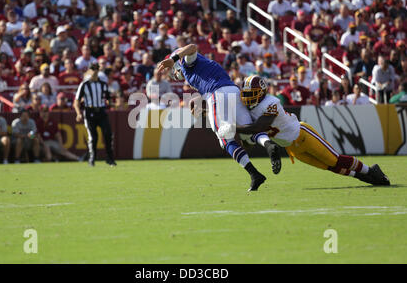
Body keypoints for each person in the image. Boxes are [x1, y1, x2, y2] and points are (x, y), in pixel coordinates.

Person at [157, 44, 280, 192]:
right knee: (249, 131)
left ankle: (255, 175)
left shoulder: (187, 62)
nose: (173, 73)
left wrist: (174, 58)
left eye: (171, 69)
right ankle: (269, 145)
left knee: (224, 139)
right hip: (233, 91)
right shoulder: (198, 66)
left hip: (217, 94)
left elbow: (192, 47)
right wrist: (205, 109)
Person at [234, 75, 390, 186]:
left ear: (261, 93)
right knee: (328, 166)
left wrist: (234, 127)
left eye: (251, 94)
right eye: (246, 94)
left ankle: (371, 170)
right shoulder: (248, 112)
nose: (247, 98)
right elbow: (250, 141)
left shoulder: (271, 102)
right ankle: (363, 176)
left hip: (302, 134)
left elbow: (258, 127)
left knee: (334, 159)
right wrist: (243, 135)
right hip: (291, 147)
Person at [74, 62, 116, 167]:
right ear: (88, 71)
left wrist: (110, 103)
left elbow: (108, 98)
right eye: (93, 69)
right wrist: (78, 113)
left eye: (97, 69)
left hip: (101, 111)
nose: (95, 71)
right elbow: (77, 101)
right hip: (89, 112)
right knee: (93, 137)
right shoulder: (84, 85)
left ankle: (110, 159)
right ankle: (92, 159)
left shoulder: (103, 84)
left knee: (108, 134)